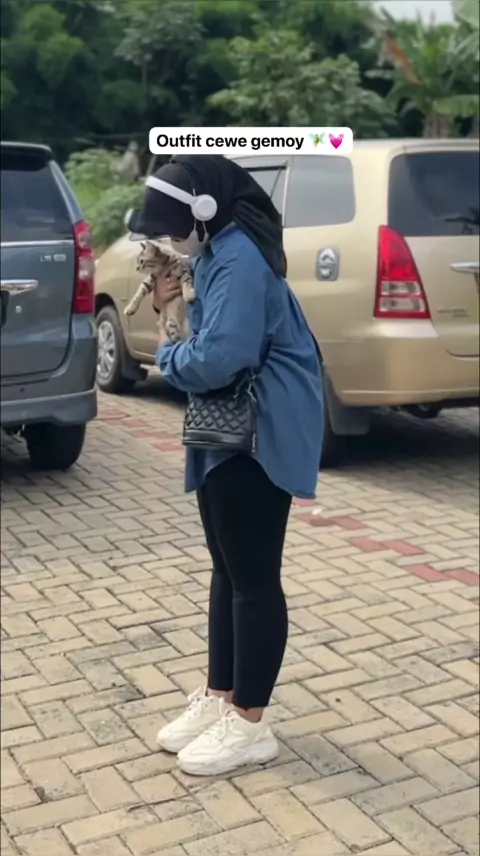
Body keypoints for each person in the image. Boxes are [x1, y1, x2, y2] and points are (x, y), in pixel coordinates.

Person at [135, 155, 323, 776]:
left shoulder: (239, 258)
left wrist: (168, 353)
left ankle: (250, 724)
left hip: (260, 430)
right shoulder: (217, 253)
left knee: (253, 576)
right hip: (230, 427)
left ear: (204, 210)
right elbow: (213, 337)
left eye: (173, 226)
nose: (170, 239)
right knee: (228, 567)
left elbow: (223, 356)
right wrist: (170, 301)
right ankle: (222, 698)